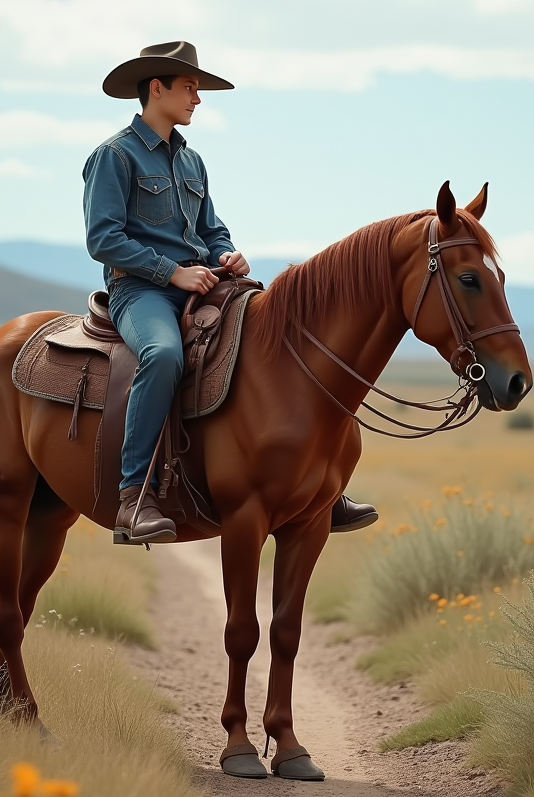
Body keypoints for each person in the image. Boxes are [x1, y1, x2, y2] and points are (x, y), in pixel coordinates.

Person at [84, 41, 378, 544]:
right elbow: (103, 239)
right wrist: (172, 273)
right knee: (163, 355)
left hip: (206, 282)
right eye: (190, 87)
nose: (197, 98)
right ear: (157, 89)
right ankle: (134, 496)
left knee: (278, 340)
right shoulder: (113, 156)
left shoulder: (193, 161)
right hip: (141, 291)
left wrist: (227, 255)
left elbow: (211, 230)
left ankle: (319, 487)